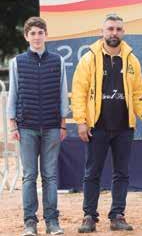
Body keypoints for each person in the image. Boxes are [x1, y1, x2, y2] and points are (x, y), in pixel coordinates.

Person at [71, 14, 142, 233]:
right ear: (102, 32)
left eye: (118, 29)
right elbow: (78, 92)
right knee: (92, 173)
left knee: (122, 173)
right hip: (97, 127)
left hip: (124, 128)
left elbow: (138, 93)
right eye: (110, 29)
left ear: (123, 32)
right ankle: (89, 216)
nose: (114, 33)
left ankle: (117, 215)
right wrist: (81, 122)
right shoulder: (89, 58)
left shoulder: (131, 59)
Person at [7, 17, 69, 235]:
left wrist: (63, 123)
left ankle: (52, 222)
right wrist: (13, 124)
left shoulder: (58, 61)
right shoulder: (17, 62)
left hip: (52, 126)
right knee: (29, 176)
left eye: (40, 32)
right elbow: (13, 94)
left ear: (46, 35)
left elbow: (63, 94)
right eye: (32, 33)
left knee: (50, 175)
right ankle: (29, 223)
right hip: (26, 127)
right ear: (26, 36)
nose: (36, 37)